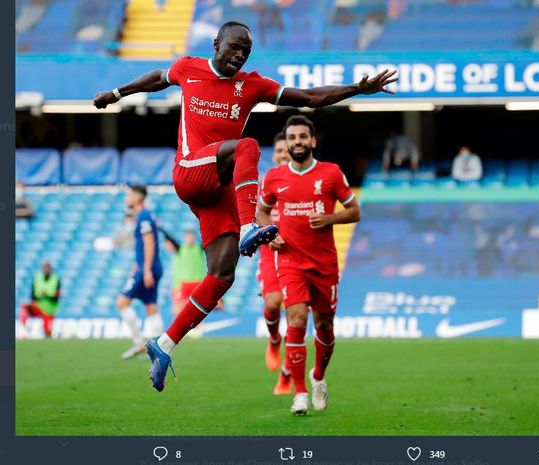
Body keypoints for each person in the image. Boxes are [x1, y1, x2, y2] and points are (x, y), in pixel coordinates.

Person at [93, 20, 396, 392]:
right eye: (233, 48)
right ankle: (252, 226)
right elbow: (158, 76)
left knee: (222, 275)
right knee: (249, 146)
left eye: (245, 52)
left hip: (217, 189)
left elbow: (311, 99)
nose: (239, 56)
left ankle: (164, 343)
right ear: (216, 43)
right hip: (190, 171)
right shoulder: (189, 68)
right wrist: (116, 92)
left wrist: (357, 89)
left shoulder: (251, 85)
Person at [258, 115, 361, 415]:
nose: (298, 142)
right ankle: (300, 393)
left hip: (325, 264)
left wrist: (330, 218)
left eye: (303, 136)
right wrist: (268, 235)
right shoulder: (274, 177)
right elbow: (262, 212)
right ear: (287, 143)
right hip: (290, 261)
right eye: (292, 138)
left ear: (313, 141)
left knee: (324, 326)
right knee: (297, 319)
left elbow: (354, 211)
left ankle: (318, 376)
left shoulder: (330, 174)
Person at [257, 132, 292, 394]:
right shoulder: (264, 183)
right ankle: (273, 339)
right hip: (271, 251)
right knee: (272, 302)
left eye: (288, 151)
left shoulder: (304, 181)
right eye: (280, 150)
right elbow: (254, 214)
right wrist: (267, 235)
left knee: (297, 318)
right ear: (274, 154)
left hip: (298, 253)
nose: (284, 155)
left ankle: (286, 377)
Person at [118, 185, 165, 361]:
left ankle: (139, 343)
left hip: (148, 267)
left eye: (129, 194)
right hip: (149, 266)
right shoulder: (144, 215)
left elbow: (149, 242)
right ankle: (161, 347)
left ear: (138, 198)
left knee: (122, 303)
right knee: (151, 307)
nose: (126, 197)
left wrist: (145, 270)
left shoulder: (144, 216)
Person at [19, 261, 60, 338]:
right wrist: (40, 296)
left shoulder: (56, 279)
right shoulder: (37, 279)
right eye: (44, 268)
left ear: (51, 269)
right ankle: (23, 331)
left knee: (48, 332)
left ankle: (47, 333)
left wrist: (46, 295)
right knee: (24, 306)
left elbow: (57, 297)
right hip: (37, 307)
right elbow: (32, 296)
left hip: (49, 310)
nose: (46, 269)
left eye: (47, 268)